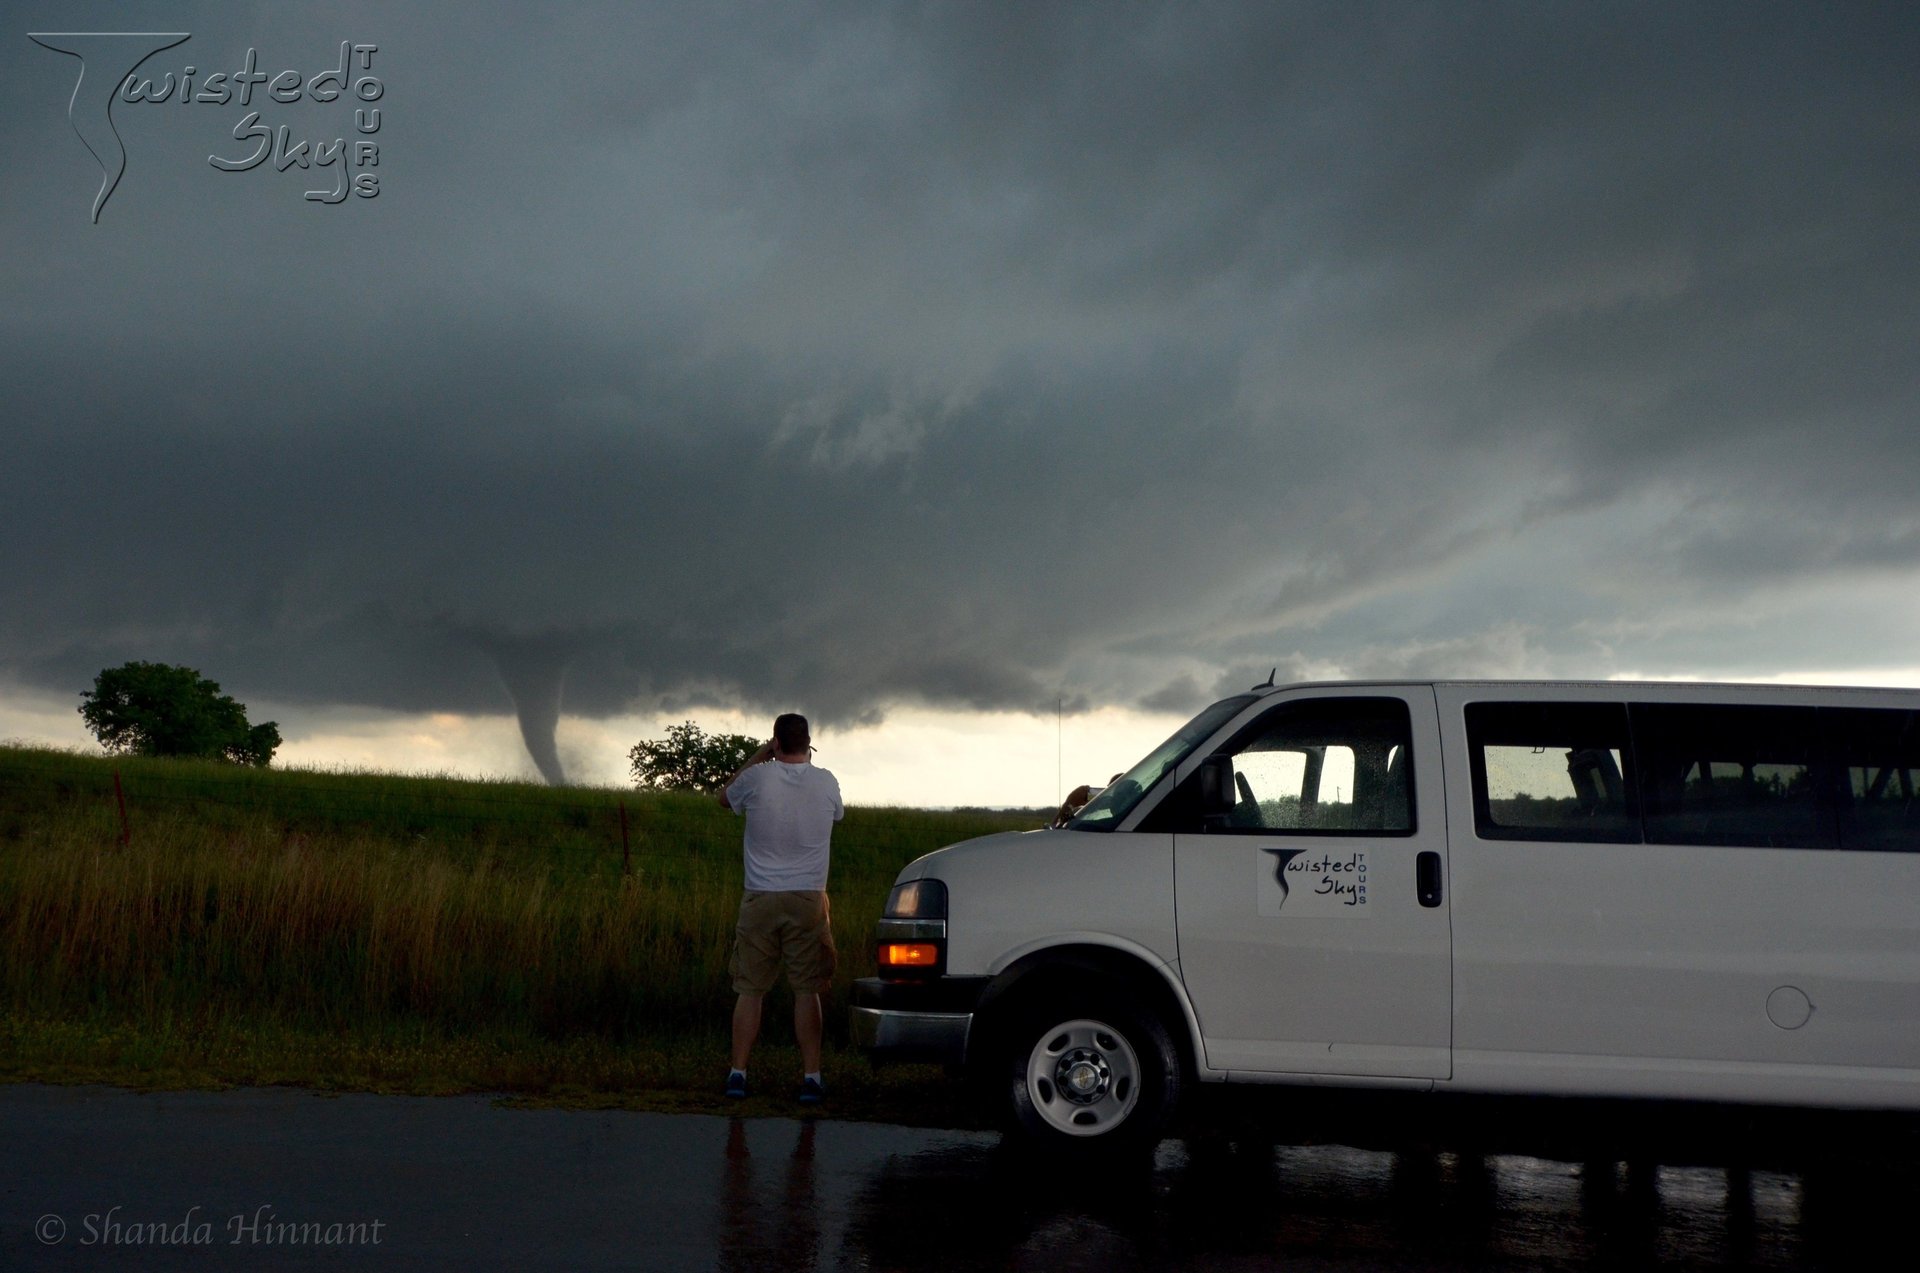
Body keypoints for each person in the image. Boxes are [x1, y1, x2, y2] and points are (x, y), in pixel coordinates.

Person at [716, 712, 843, 1103]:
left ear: (775, 741)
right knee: (807, 990)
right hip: (808, 897)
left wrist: (759, 756)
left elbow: (722, 798)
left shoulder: (756, 778)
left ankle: (738, 1073)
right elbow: (837, 814)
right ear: (809, 741)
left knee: (750, 989)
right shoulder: (827, 781)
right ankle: (811, 1078)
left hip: (759, 896)